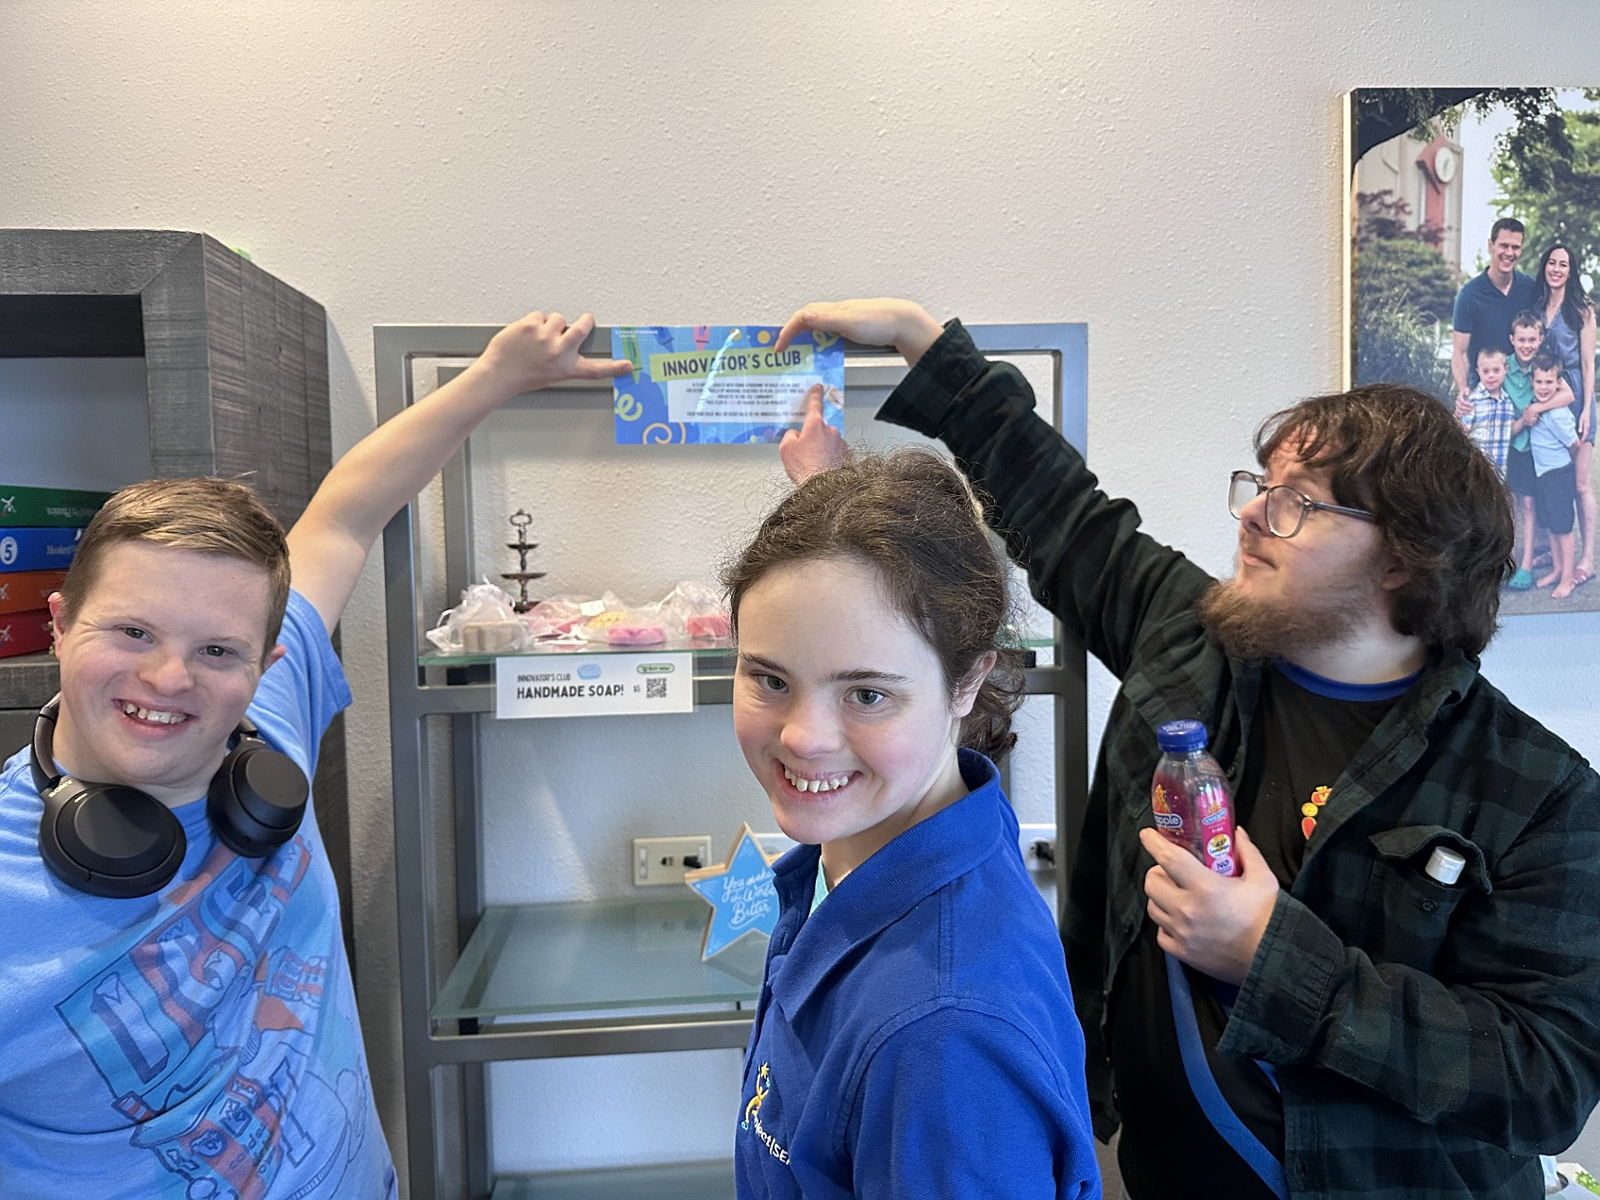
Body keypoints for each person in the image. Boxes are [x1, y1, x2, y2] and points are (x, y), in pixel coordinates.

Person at [773, 298, 1600, 1200]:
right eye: (1259, 487)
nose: (1251, 518)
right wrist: (919, 338)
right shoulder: (1193, 638)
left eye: (1296, 504)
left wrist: (1278, 961)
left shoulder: (1539, 793)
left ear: (1404, 558)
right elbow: (1062, 510)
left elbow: (1546, 1079)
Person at [0, 312, 629, 1197]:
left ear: (268, 662)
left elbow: (344, 516)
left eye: (217, 649)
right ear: (60, 625)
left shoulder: (263, 723)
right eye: (132, 631)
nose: (170, 677)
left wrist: (498, 375)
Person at [724, 445, 1100, 1199]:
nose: (803, 737)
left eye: (867, 694)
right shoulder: (855, 851)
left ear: (968, 682)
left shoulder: (944, 1037)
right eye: (770, 678)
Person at [1533, 242, 1598, 586]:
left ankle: (1586, 559)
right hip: (1547, 397)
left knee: (1580, 483)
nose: (1556, 269)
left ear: (1571, 271)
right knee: (1551, 479)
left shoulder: (1581, 311)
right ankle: (1554, 551)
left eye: (1563, 264)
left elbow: (1588, 365)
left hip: (1575, 398)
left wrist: (1586, 409)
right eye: (1552, 262)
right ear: (1544, 266)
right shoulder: (1537, 307)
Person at [1452, 217, 1537, 404]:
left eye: (1515, 247)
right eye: (1503, 246)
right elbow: (1460, 352)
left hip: (1523, 390)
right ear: (1490, 246)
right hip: (1485, 392)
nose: (1509, 253)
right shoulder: (1469, 295)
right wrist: (1463, 389)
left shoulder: (1531, 288)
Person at [1526, 354, 1582, 598]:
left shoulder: (1558, 414)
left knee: (1563, 528)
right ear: (1532, 382)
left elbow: (1574, 445)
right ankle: (1557, 569)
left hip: (1559, 475)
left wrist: (1566, 467)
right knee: (1550, 524)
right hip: (1543, 475)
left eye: (1549, 382)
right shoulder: (1536, 406)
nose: (1543, 387)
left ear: (1559, 383)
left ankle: (1568, 579)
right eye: (1539, 382)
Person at [1459, 344, 1515, 477]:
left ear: (1505, 370)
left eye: (1496, 370)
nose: (1491, 376)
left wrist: (1525, 419)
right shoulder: (1472, 400)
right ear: (1478, 371)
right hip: (1476, 468)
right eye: (1485, 371)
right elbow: (1463, 433)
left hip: (1499, 469)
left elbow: (1509, 430)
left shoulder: (1507, 401)